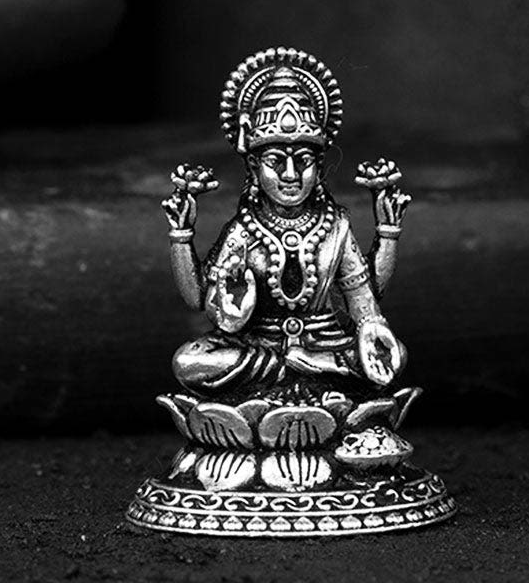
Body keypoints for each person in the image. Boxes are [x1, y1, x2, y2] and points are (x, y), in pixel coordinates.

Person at [161, 47, 410, 400]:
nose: (291, 174)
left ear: (319, 167)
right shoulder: (243, 230)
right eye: (276, 161)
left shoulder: (335, 226)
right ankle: (310, 369)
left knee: (393, 355)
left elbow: (364, 300)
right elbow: (200, 300)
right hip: (261, 346)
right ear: (254, 168)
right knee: (190, 361)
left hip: (325, 341)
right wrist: (182, 236)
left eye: (304, 160)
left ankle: (312, 366)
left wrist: (373, 328)